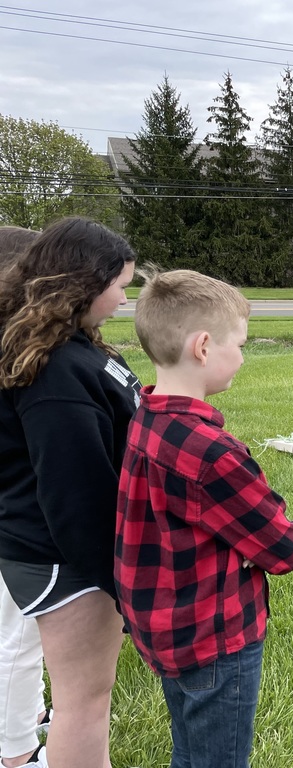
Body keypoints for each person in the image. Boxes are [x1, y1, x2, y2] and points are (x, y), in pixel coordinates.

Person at [115, 269, 293, 768]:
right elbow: (285, 549)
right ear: (203, 346)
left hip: (165, 628)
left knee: (192, 750)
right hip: (214, 639)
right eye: (239, 344)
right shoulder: (210, 452)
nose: (242, 356)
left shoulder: (146, 413)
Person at [0, 217, 140, 768]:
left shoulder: (72, 348)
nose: (126, 297)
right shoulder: (57, 372)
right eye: (120, 284)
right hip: (66, 559)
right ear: (83, 282)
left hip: (66, 554)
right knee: (84, 704)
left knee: (84, 701)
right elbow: (76, 496)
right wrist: (121, 581)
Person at [0, 227, 49, 768]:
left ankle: (29, 717)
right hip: (18, 520)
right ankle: (15, 753)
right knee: (17, 635)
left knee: (23, 632)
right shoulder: (14, 353)